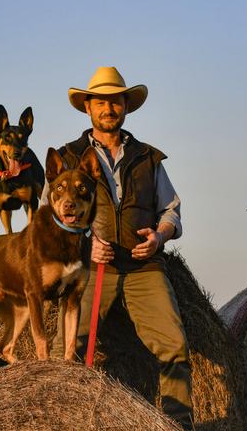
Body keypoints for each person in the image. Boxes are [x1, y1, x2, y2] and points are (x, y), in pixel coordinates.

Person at [49, 66, 193, 428]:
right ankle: (53, 422)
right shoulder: (68, 157)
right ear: (88, 107)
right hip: (90, 270)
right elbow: (50, 217)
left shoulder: (148, 157)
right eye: (101, 102)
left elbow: (171, 210)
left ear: (126, 107)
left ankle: (179, 424)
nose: (109, 108)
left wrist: (159, 236)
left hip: (144, 268)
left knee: (175, 346)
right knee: (63, 353)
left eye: (116, 101)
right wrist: (83, 243)